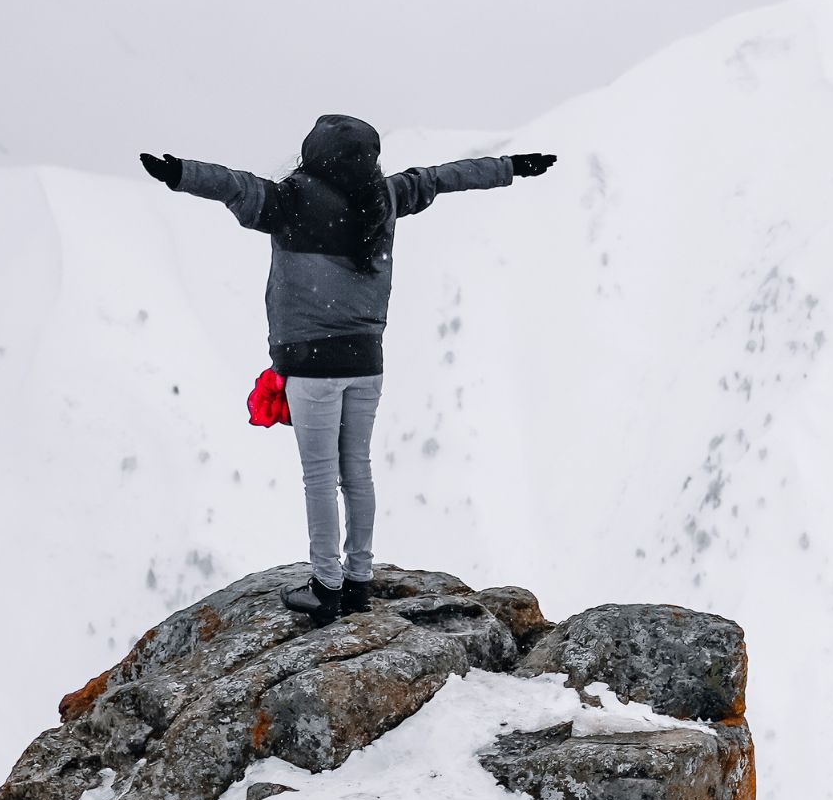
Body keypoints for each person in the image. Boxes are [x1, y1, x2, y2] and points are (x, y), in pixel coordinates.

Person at [141, 114, 556, 627]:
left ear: (312, 155)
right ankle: (358, 580)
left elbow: (233, 186)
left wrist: (180, 173)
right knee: (355, 469)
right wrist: (511, 167)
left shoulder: (289, 200)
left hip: (311, 366)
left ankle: (326, 586)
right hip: (367, 361)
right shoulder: (385, 199)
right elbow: (443, 177)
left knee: (319, 476)